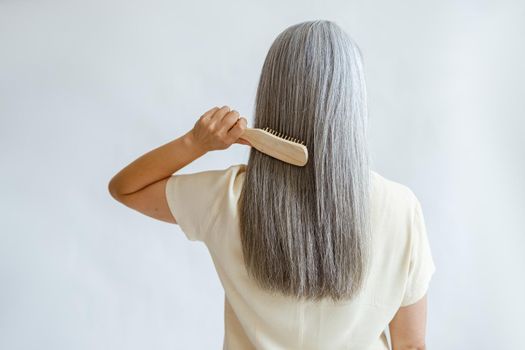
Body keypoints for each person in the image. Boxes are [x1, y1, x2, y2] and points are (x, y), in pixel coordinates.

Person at [108, 20, 436, 350]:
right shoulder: (401, 208)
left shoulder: (226, 198)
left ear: (271, 96)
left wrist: (195, 142)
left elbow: (126, 188)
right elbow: (410, 345)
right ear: (352, 105)